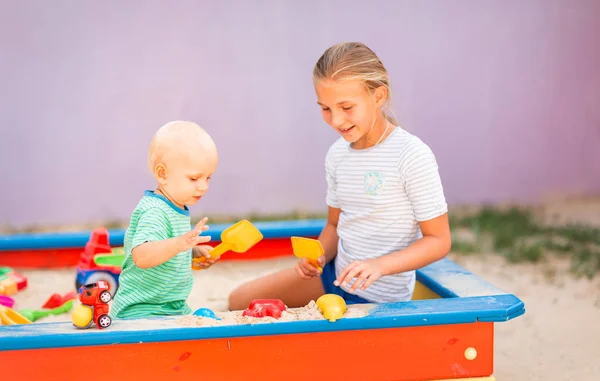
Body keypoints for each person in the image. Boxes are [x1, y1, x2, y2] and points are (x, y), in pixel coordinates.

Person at [228, 42, 451, 310]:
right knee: (238, 301)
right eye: (325, 108)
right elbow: (334, 226)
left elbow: (438, 240)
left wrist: (380, 266)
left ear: (378, 96)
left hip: (380, 296)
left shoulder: (411, 155)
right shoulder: (337, 154)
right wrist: (319, 256)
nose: (335, 121)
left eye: (346, 107)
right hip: (334, 278)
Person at [111, 120, 219, 318]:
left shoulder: (176, 206)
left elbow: (166, 247)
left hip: (170, 306)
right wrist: (179, 243)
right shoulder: (155, 211)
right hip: (141, 310)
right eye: (194, 178)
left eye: (208, 178)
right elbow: (142, 256)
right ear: (163, 174)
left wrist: (192, 251)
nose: (203, 186)